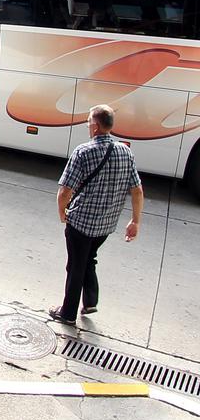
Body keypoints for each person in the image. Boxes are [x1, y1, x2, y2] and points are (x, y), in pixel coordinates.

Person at [49, 104, 143, 324]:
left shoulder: (83, 151)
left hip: (81, 222)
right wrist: (135, 220)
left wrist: (63, 213)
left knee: (75, 266)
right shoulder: (125, 151)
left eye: (89, 120)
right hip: (106, 225)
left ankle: (68, 314)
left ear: (96, 126)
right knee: (89, 257)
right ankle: (90, 301)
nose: (87, 124)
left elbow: (64, 191)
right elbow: (137, 190)